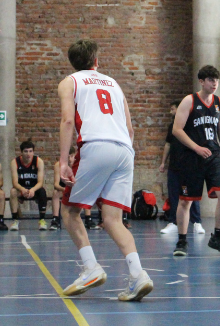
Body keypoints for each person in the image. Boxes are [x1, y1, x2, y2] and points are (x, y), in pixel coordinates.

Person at [58, 39, 153, 302]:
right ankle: (138, 275)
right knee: (113, 220)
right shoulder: (113, 83)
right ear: (96, 61)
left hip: (95, 145)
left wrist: (64, 161)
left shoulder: (69, 82)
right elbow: (130, 128)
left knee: (69, 211)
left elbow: (67, 121)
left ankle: (91, 268)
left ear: (72, 63)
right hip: (124, 150)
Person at [172, 65, 220, 257]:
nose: (214, 83)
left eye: (216, 80)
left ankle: (218, 236)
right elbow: (177, 130)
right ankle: (182, 240)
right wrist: (196, 147)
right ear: (201, 81)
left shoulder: (219, 103)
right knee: (186, 201)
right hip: (192, 157)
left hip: (214, 155)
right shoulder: (189, 101)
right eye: (210, 80)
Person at [159, 101, 205, 235]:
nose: (170, 112)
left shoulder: (194, 125)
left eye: (172, 109)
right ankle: (173, 222)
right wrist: (163, 162)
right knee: (173, 194)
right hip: (175, 165)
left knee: (192, 195)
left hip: (190, 165)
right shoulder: (172, 126)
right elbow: (168, 144)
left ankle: (196, 222)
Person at [10, 140, 48, 231]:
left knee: (42, 191)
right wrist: (23, 189)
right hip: (21, 188)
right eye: (26, 151)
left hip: (34, 188)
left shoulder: (38, 161)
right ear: (21, 152)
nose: (28, 154)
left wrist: (32, 190)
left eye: (30, 151)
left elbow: (40, 182)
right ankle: (15, 220)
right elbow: (15, 183)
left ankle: (42, 220)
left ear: (33, 152)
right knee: (13, 191)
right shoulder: (15, 162)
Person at [51, 148, 77, 231]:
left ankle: (88, 218)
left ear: (75, 156)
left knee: (85, 193)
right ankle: (55, 219)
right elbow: (56, 184)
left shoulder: (77, 165)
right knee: (55, 193)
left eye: (72, 156)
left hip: (75, 189)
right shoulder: (58, 165)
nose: (69, 159)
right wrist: (64, 189)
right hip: (64, 189)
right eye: (67, 157)